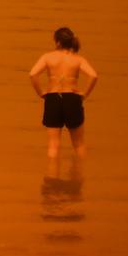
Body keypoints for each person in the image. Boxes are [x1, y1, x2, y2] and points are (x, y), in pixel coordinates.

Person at [29, 26, 99, 159]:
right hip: (72, 98)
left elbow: (33, 74)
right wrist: (84, 94)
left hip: (53, 98)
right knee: (78, 144)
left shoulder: (48, 57)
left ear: (58, 42)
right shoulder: (77, 59)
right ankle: (80, 174)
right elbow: (94, 76)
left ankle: (51, 175)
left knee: (53, 144)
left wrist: (41, 93)